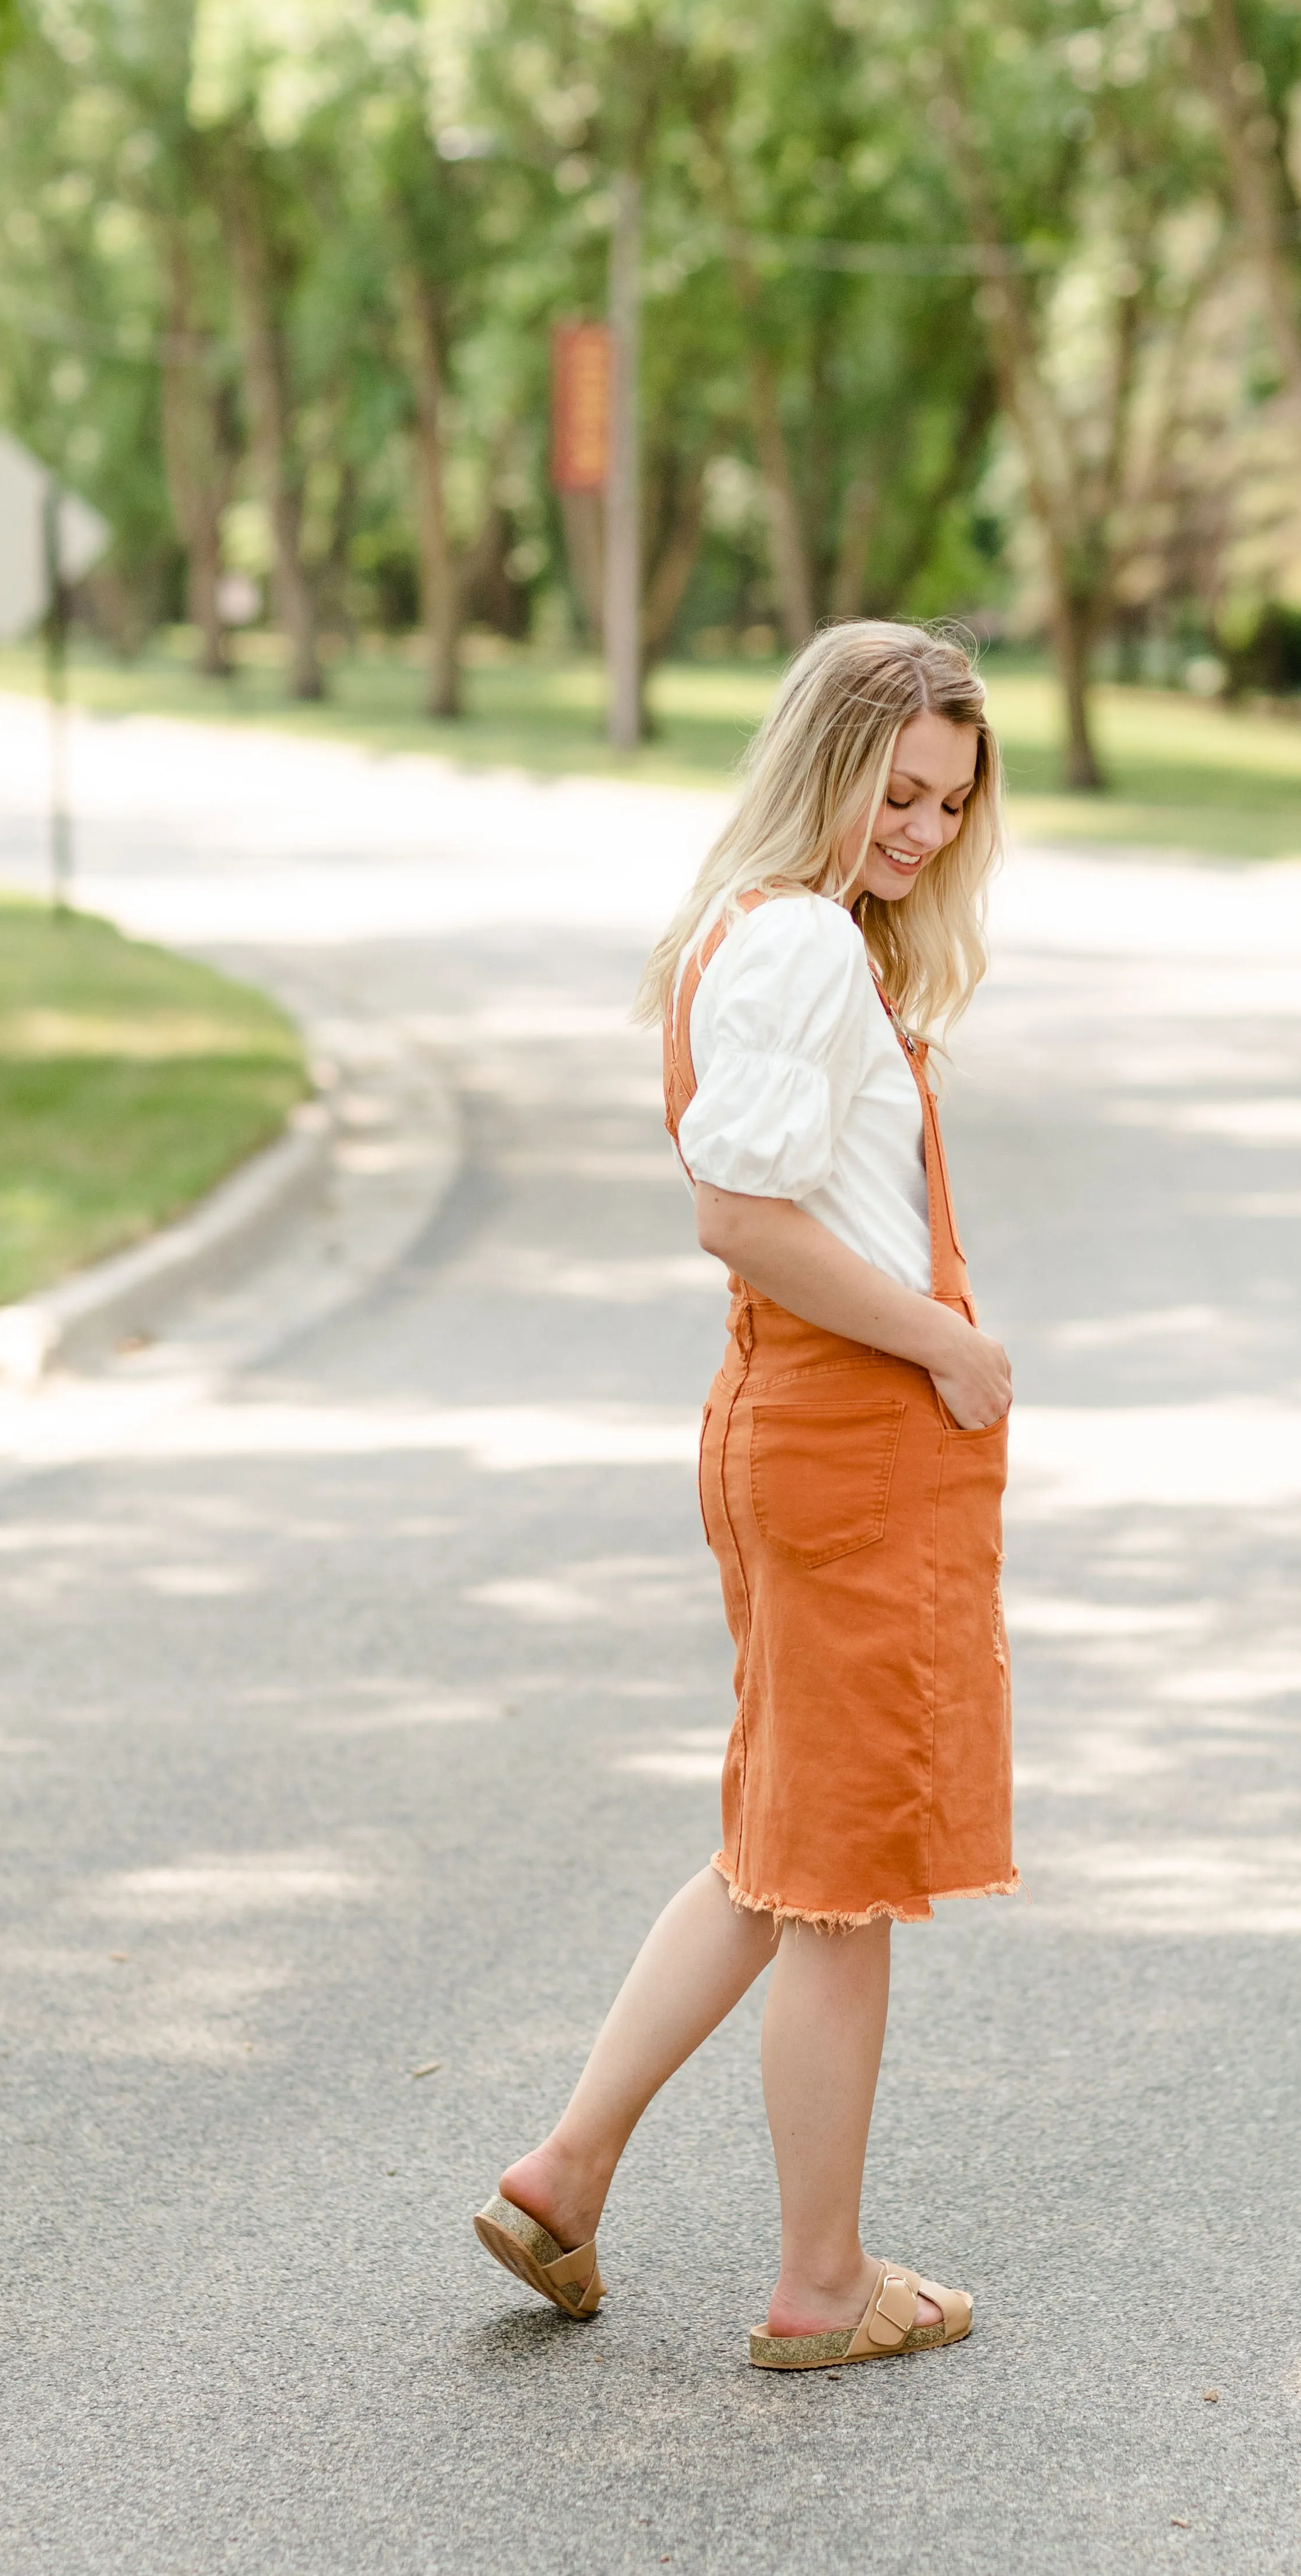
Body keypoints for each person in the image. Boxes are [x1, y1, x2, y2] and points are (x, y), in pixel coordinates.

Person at [474, 621, 1014, 2371]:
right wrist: (951, 1345)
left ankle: (565, 2172)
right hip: (847, 1439)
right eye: (898, 789)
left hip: (806, 1431)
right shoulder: (793, 946)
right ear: (824, 763)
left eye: (951, 800)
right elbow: (748, 1217)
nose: (923, 829)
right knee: (845, 1887)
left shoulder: (780, 934)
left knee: (781, 1860)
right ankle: (821, 2280)